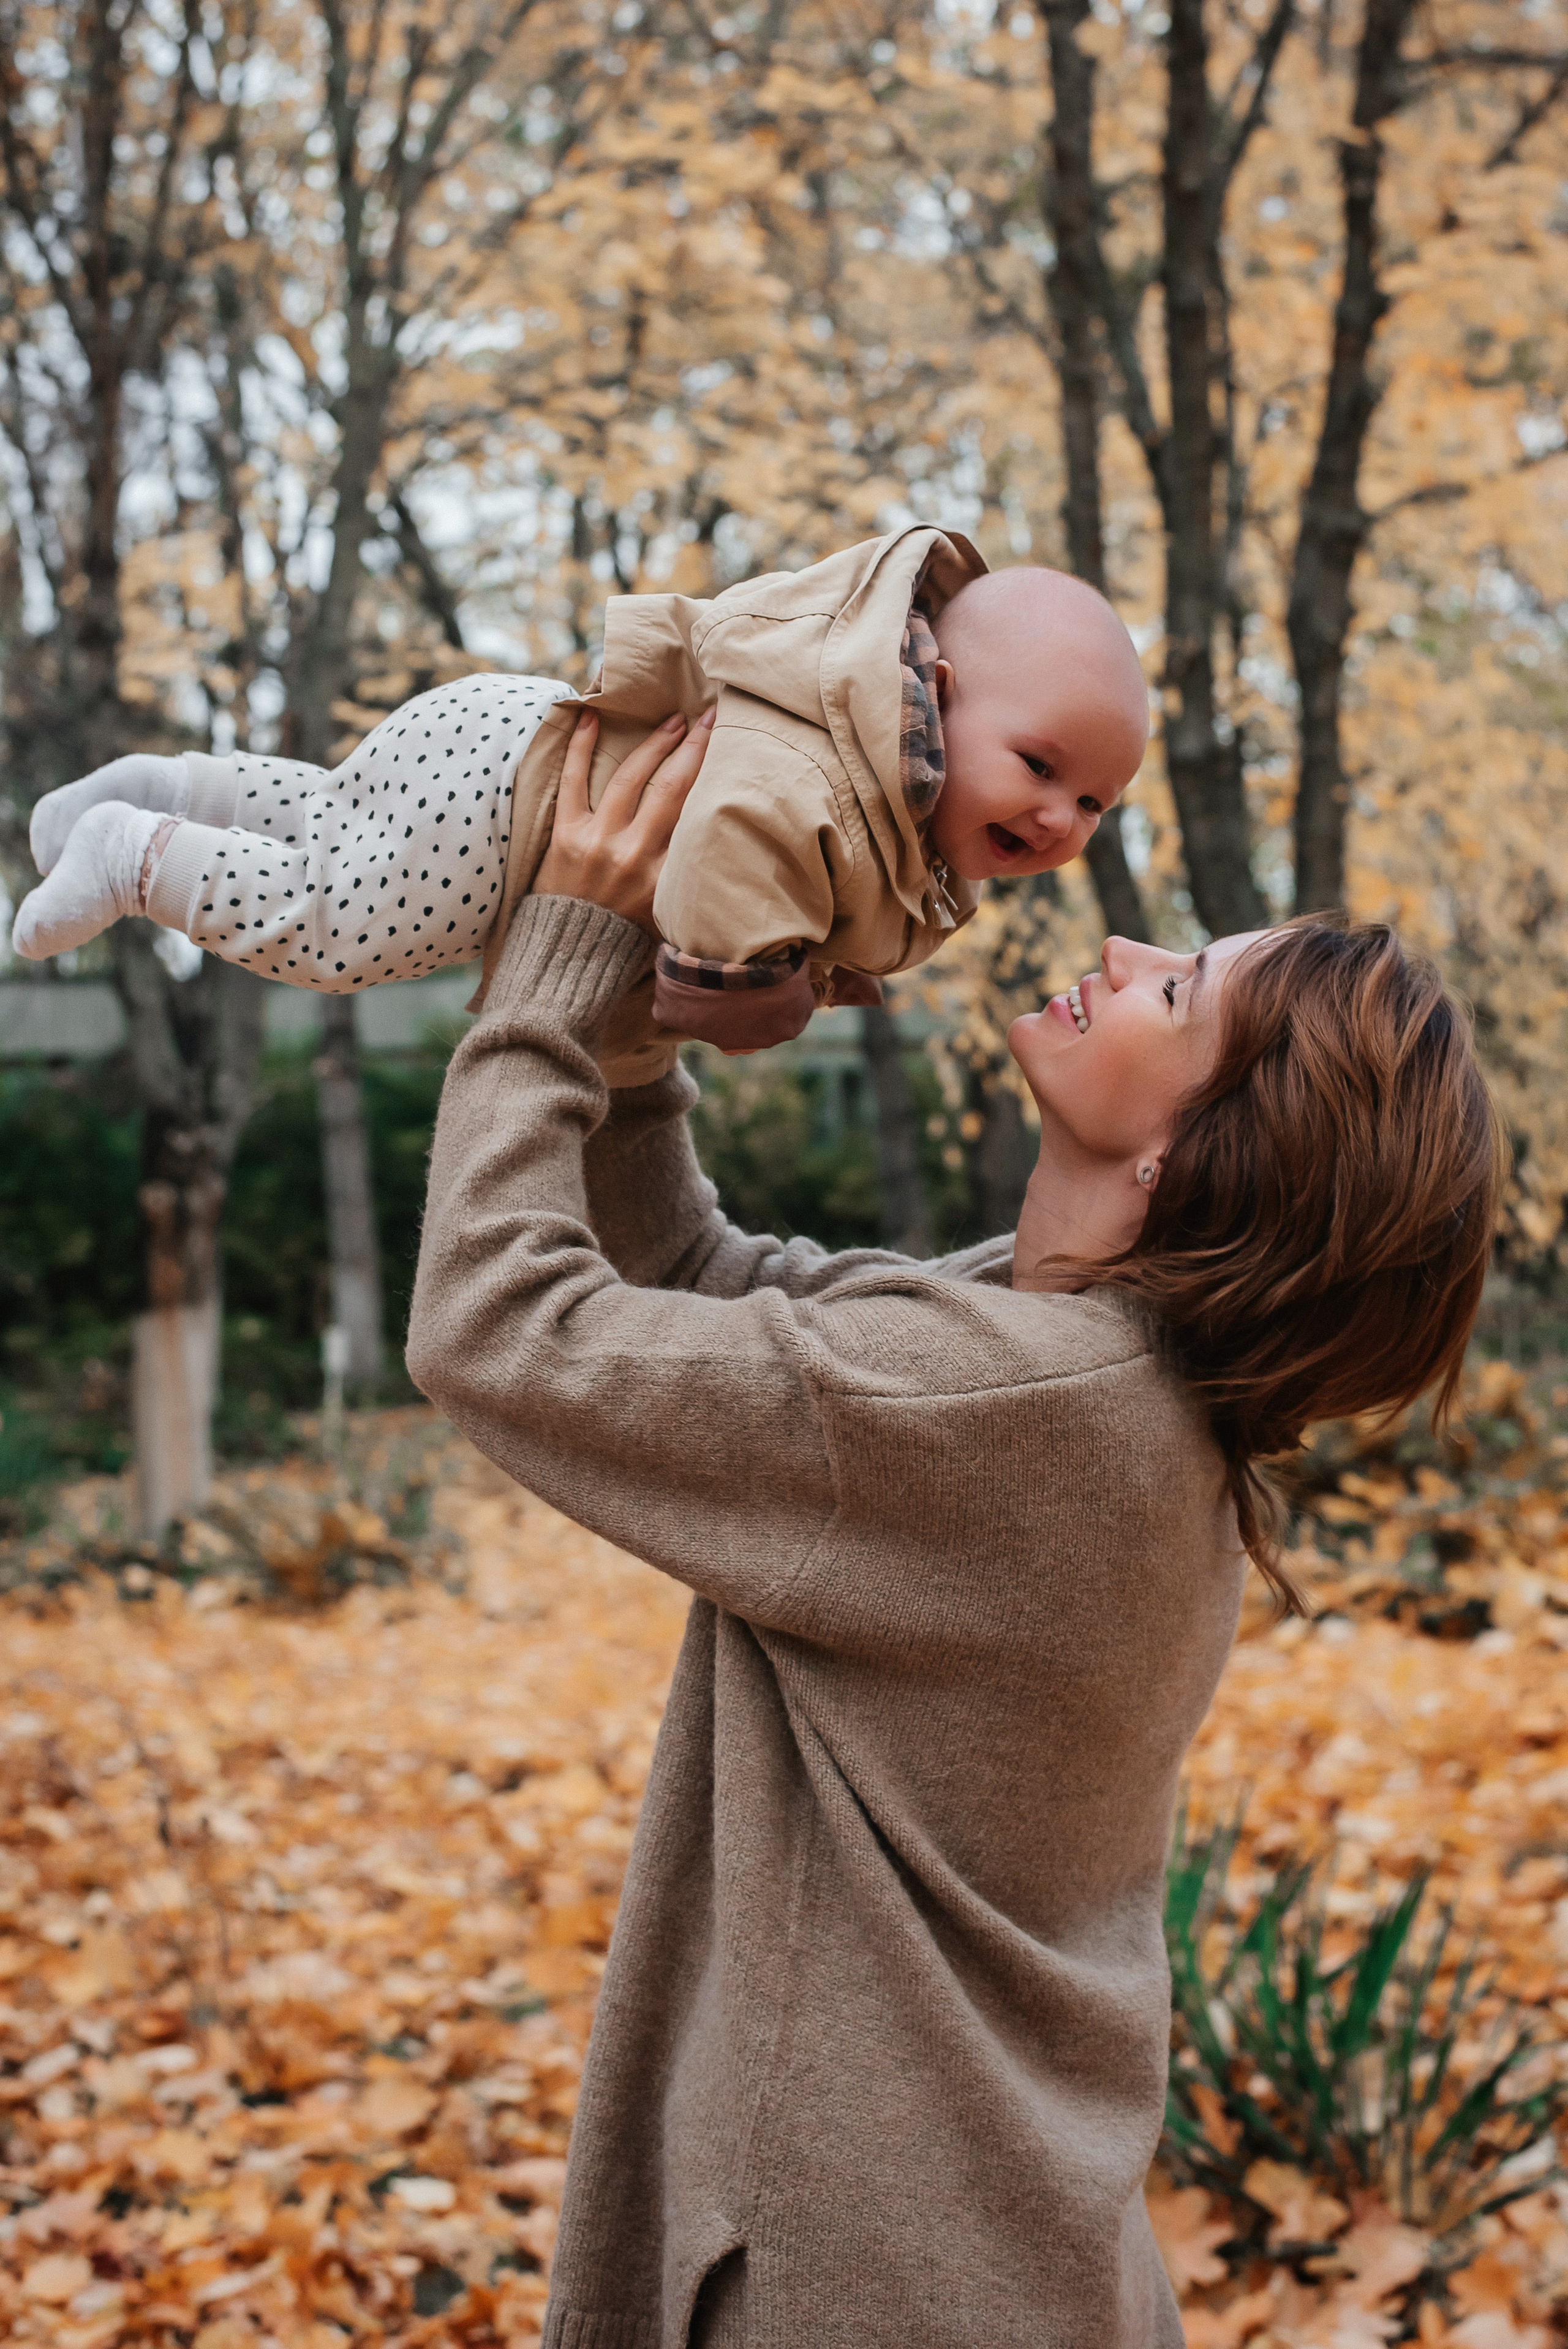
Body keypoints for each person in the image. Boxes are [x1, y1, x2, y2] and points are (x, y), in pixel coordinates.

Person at [405, 716, 1500, 2349]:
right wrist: (639, 1036)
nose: (1125, 948)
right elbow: (701, 1294)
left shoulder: (1030, 1405)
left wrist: (557, 965)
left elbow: (496, 1324)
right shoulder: (1087, 1374)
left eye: (1182, 988)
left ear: (1196, 1148)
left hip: (846, 2268)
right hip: (979, 2249)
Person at [12, 526, 1148, 1083]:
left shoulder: (866, 780)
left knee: (332, 819)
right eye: (1041, 765)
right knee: (335, 923)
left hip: (517, 726)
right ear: (935, 702)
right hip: (514, 816)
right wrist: (745, 993)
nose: (1062, 819)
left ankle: (177, 787)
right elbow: (725, 859)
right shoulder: (828, 785)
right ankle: (136, 855)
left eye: (1097, 803)